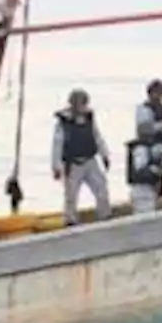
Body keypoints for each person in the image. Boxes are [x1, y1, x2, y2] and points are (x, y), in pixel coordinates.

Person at [52, 88, 112, 225]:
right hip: (72, 164)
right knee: (71, 195)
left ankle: (104, 215)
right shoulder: (63, 123)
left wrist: (105, 155)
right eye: (79, 103)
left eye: (84, 103)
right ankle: (70, 220)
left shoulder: (89, 119)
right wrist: (56, 167)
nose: (82, 107)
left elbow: (97, 137)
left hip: (90, 161)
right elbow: (57, 145)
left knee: (101, 188)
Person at [134, 79, 162, 197]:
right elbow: (145, 130)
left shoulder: (161, 108)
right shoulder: (143, 109)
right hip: (149, 149)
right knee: (151, 177)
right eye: (159, 92)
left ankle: (161, 196)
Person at [126, 120, 162, 214]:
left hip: (148, 190)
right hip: (142, 190)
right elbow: (140, 170)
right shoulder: (141, 149)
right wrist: (157, 170)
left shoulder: (146, 149)